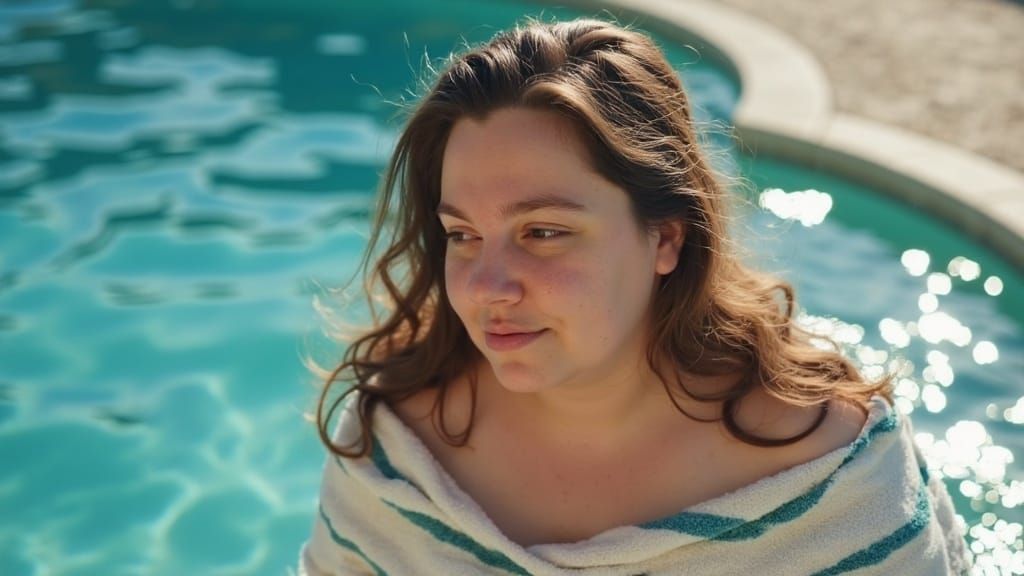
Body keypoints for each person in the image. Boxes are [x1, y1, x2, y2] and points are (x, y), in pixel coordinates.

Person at [299, 18, 970, 575]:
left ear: (666, 239)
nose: (486, 286)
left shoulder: (831, 480)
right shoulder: (396, 454)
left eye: (543, 232)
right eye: (462, 234)